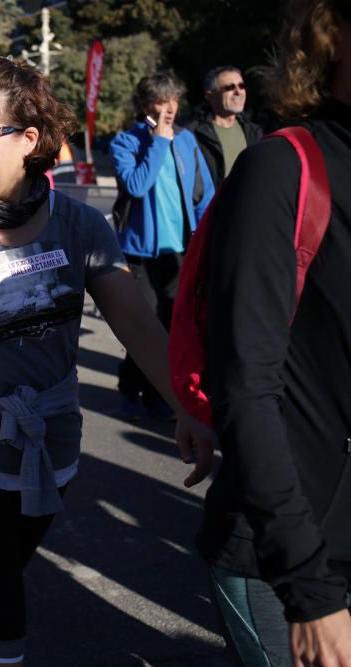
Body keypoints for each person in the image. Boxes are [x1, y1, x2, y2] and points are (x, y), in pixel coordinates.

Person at [0, 56, 215, 667]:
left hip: (45, 439)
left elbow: (137, 325)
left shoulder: (80, 226)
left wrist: (188, 407)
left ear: (29, 139)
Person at [197, 1, 351, 665]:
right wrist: (309, 589)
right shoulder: (284, 167)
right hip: (288, 556)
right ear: (332, 35)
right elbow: (246, 387)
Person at [110, 72, 215, 421]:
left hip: (180, 251)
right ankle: (128, 387)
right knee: (145, 326)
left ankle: (158, 396)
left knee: (172, 329)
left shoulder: (187, 141)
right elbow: (137, 186)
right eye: (161, 101)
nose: (170, 108)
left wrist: (208, 237)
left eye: (173, 100)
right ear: (144, 106)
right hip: (139, 253)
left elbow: (204, 195)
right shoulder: (125, 142)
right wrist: (158, 142)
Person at [187, 65, 264, 188]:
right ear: (210, 96)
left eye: (241, 86)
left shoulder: (255, 132)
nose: (238, 92)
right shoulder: (193, 135)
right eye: (230, 87)